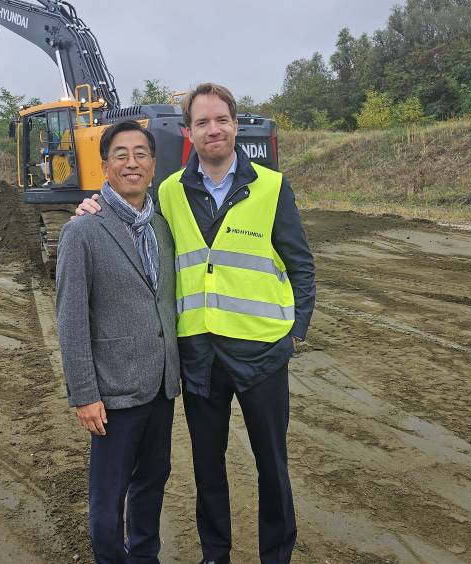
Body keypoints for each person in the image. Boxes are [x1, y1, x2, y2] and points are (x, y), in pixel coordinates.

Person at [78, 83, 315, 564]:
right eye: (202, 122)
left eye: (221, 119)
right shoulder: (169, 191)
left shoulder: (271, 187)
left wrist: (295, 333)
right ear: (188, 132)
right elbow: (133, 219)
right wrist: (91, 209)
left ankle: (276, 555)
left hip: (263, 353)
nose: (213, 129)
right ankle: (215, 555)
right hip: (200, 356)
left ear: (235, 125)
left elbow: (301, 265)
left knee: (272, 467)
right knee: (208, 469)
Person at [56, 120, 181, 564]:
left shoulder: (161, 227)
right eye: (121, 155)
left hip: (160, 385)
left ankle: (144, 556)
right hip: (113, 392)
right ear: (105, 165)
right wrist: (84, 395)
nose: (132, 163)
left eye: (141, 154)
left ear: (153, 164)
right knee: (108, 498)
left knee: (152, 481)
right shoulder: (83, 231)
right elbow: (70, 320)